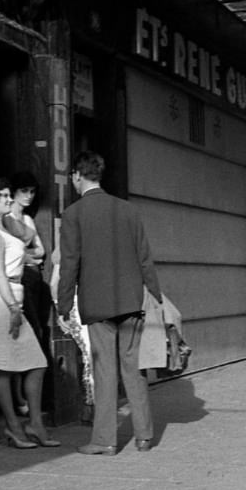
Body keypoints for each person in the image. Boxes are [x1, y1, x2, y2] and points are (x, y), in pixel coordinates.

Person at [57, 151, 162, 455]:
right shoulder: (129, 210)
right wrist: (155, 296)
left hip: (98, 305)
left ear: (77, 175)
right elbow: (145, 259)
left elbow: (69, 265)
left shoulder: (74, 215)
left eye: (73, 177)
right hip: (132, 300)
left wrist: (64, 307)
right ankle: (144, 436)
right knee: (133, 367)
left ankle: (105, 440)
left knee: (106, 370)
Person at [0, 178, 59, 448]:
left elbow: (32, 247)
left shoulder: (4, 226)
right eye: (3, 197)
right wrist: (13, 307)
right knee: (2, 366)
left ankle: (35, 424)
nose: (9, 200)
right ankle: (14, 426)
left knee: (36, 362)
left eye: (9, 195)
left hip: (13, 296)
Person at [3, 172, 53, 417]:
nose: (29, 196)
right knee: (25, 334)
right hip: (17, 279)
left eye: (32, 192)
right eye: (25, 191)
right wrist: (29, 255)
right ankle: (21, 398)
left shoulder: (28, 220)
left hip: (32, 279)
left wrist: (29, 255)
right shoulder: (5, 220)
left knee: (37, 331)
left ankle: (29, 398)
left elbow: (41, 252)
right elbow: (17, 254)